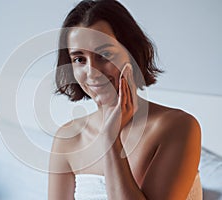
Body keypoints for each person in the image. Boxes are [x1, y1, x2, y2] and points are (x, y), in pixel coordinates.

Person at [48, 0, 202, 199]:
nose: (92, 73)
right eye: (79, 59)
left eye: (104, 55)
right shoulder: (68, 139)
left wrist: (110, 141)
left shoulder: (177, 127)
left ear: (131, 53)